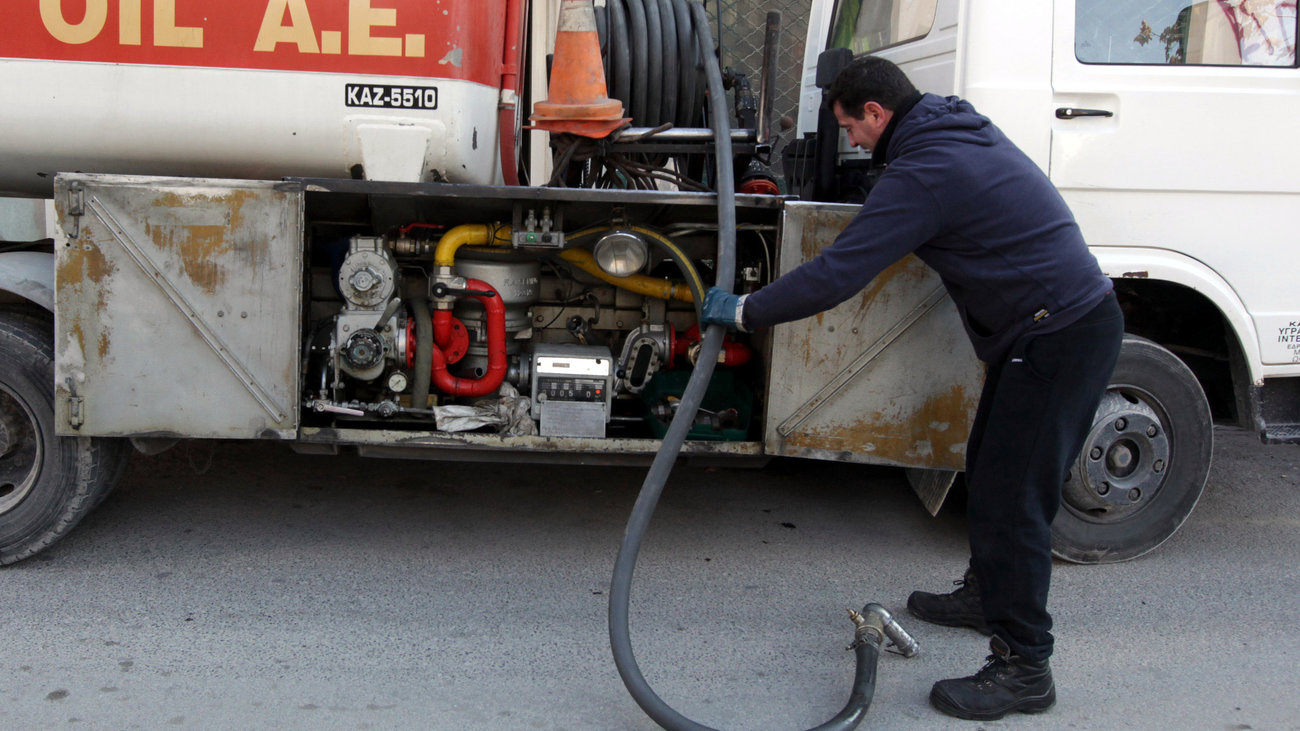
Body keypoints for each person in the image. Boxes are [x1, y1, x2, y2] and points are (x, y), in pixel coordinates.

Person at [701, 56, 1124, 721]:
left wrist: (748, 310)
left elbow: (841, 271)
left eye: (853, 129)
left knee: (1015, 502)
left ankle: (1025, 665)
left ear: (877, 113)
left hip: (1059, 336)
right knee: (987, 474)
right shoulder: (949, 129)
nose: (855, 144)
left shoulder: (928, 169)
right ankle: (988, 594)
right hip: (1047, 331)